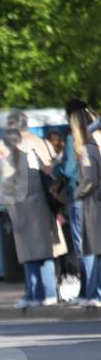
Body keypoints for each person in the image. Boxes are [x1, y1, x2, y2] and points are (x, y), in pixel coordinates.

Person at [0, 126, 65, 308]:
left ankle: (35, 295)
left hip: (22, 210)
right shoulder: (34, 155)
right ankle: (50, 293)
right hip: (41, 208)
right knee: (46, 253)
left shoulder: (9, 161)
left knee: (29, 255)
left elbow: (6, 192)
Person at [70, 106, 101, 306]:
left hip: (94, 204)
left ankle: (96, 294)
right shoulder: (95, 147)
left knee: (96, 250)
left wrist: (76, 193)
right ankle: (93, 293)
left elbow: (89, 179)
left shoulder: (86, 151)